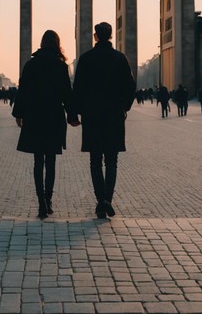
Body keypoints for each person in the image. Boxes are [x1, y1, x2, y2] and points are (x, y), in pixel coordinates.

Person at [69, 22, 136, 220]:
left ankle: (100, 200)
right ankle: (108, 199)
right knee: (112, 160)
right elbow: (130, 86)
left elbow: (78, 89)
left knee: (95, 160)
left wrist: (74, 114)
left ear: (95, 36)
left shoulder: (86, 59)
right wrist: (124, 107)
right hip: (114, 116)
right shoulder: (120, 58)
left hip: (93, 116)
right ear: (111, 36)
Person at [12, 30, 74, 219]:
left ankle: (40, 203)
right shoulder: (61, 66)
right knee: (51, 160)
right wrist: (72, 114)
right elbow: (67, 94)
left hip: (35, 115)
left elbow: (24, 90)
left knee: (38, 161)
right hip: (54, 116)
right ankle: (49, 200)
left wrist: (19, 113)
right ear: (57, 44)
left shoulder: (31, 65)